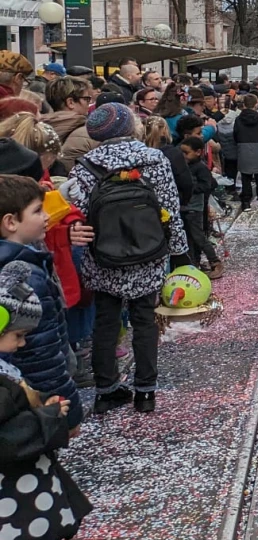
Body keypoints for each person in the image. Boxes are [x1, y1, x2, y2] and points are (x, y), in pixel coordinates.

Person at [69, 102, 188, 413]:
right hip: (148, 252)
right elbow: (170, 209)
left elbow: (80, 211)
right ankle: (145, 392)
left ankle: (106, 390)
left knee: (106, 322)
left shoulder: (84, 164)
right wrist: (178, 252)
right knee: (145, 321)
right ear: (128, 127)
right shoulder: (153, 158)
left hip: (104, 255)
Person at [0, 274, 92, 540]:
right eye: (18, 335)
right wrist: (48, 418)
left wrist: (40, 406)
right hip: (9, 505)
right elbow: (8, 437)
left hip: (13, 505)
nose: (22, 343)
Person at [0, 171, 85, 433]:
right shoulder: (26, 278)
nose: (47, 217)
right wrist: (65, 410)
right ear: (11, 222)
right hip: (37, 397)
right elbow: (41, 353)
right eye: (38, 211)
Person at [178, 137, 221, 275]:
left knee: (199, 237)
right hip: (185, 207)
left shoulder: (200, 167)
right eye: (182, 152)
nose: (183, 156)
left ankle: (214, 261)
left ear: (198, 152)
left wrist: (189, 188)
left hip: (194, 208)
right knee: (189, 238)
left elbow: (207, 185)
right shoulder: (185, 166)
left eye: (186, 152)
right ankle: (194, 264)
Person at [40, 78, 94, 171]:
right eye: (87, 99)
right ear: (71, 102)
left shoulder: (36, 127)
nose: (89, 104)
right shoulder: (87, 132)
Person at [232, 93, 258, 210]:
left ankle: (246, 202)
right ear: (256, 104)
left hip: (243, 147)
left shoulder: (238, 119)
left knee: (246, 177)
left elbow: (235, 134)